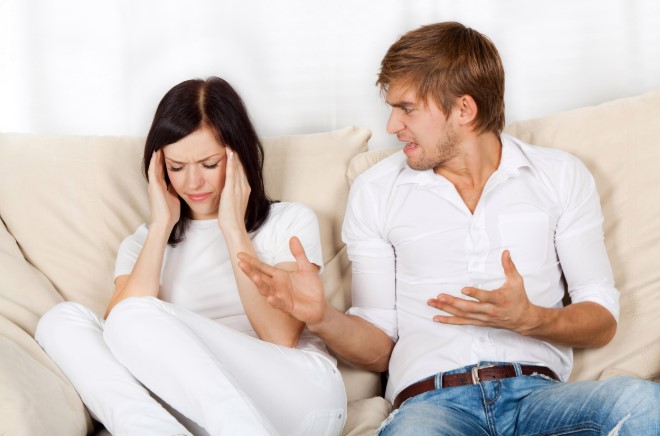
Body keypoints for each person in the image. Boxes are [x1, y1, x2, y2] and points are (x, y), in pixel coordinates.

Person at [237, 22, 660, 435]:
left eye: (407, 108)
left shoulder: (560, 175)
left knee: (641, 401)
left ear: (464, 109)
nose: (392, 126)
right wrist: (321, 317)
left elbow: (601, 318)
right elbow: (378, 348)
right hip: (433, 406)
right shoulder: (376, 191)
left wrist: (530, 319)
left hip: (538, 398)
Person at [35, 77, 346, 436]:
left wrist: (233, 229)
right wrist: (161, 226)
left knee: (131, 314)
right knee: (59, 322)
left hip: (299, 396)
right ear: (158, 168)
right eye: (177, 167)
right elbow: (118, 336)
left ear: (239, 157)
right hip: (196, 413)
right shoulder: (144, 243)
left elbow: (280, 337)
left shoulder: (287, 221)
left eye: (209, 164)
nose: (193, 183)